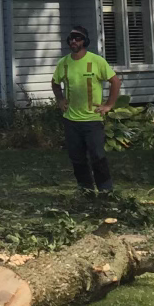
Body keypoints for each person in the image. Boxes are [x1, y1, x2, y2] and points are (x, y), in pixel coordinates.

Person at [51, 26, 120, 195]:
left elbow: (115, 82)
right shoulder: (64, 63)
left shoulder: (96, 61)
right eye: (71, 38)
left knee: (97, 156)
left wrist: (108, 105)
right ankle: (85, 189)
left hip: (92, 119)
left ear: (85, 41)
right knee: (77, 158)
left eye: (77, 38)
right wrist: (60, 100)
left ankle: (105, 190)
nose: (73, 41)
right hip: (71, 120)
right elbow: (55, 83)